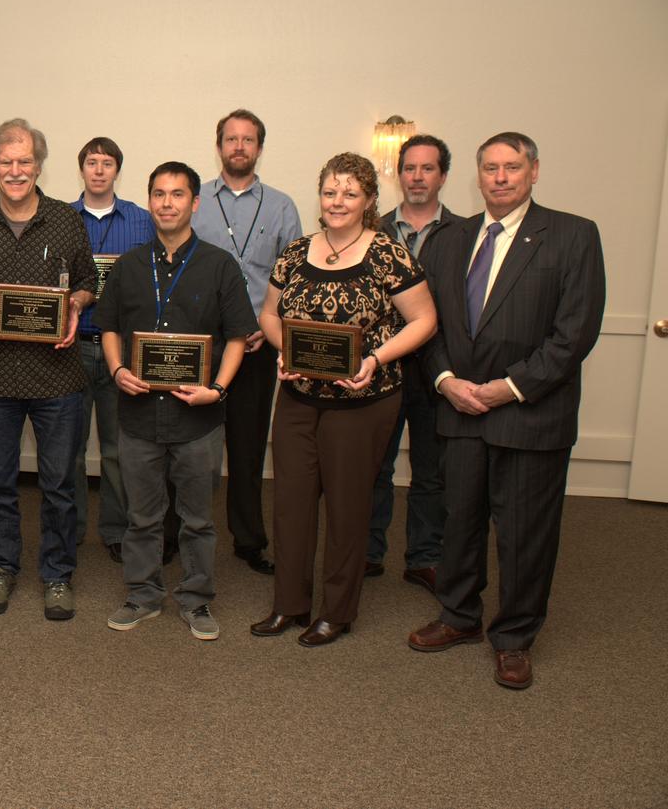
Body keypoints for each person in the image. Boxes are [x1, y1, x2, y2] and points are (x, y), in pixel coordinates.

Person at [408, 132, 605, 690]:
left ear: (534, 172)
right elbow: (429, 324)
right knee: (459, 522)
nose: (500, 177)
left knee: (524, 534)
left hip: (530, 412)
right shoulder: (449, 239)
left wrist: (507, 388)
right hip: (460, 408)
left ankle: (514, 638)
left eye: (511, 167)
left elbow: (574, 335)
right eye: (490, 168)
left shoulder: (572, 235)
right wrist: (446, 381)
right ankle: (458, 617)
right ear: (477, 175)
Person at [251, 152, 436, 647]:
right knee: (289, 505)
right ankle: (288, 605)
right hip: (296, 397)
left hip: (363, 401)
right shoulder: (295, 253)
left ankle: (337, 611)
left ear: (370, 201)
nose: (338, 202)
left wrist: (374, 358)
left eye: (350, 193)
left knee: (348, 508)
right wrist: (283, 347)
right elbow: (270, 316)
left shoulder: (388, 255)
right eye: (330, 192)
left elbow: (423, 321)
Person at [0, 117, 97, 621]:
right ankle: (2, 567)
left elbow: (87, 280)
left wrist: (74, 306)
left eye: (25, 162)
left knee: (58, 483)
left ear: (39, 165)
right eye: (6, 162)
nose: (16, 170)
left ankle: (57, 574)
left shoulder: (64, 219)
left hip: (57, 377)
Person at [96, 162, 251, 640]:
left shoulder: (219, 265)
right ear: (149, 202)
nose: (167, 203)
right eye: (159, 195)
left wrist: (218, 389)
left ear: (194, 203)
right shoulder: (128, 266)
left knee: (198, 519)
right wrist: (118, 371)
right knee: (141, 517)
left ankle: (196, 600)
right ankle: (142, 595)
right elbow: (107, 327)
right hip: (139, 416)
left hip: (197, 419)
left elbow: (238, 338)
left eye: (177, 194)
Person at [191, 109, 302, 575]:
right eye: (231, 139)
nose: (239, 146)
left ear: (259, 147)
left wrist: (266, 326)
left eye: (248, 140)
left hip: (258, 346)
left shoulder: (281, 206)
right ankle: (180, 533)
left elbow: (296, 278)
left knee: (248, 445)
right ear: (219, 146)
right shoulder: (193, 200)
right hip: (202, 347)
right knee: (190, 446)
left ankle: (248, 539)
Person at [364, 134, 464, 594]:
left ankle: (424, 557)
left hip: (438, 373)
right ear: (397, 174)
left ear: (443, 176)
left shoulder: (466, 235)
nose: (417, 176)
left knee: (431, 470)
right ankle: (366, 552)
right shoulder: (372, 231)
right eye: (409, 168)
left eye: (427, 168)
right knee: (373, 467)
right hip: (380, 371)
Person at [69, 137, 155, 563]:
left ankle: (117, 530)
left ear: (118, 170)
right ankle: (70, 530)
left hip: (122, 350)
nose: (99, 170)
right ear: (81, 169)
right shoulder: (60, 219)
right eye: (91, 162)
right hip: (71, 346)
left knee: (120, 449)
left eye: (107, 163)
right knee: (68, 446)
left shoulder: (142, 221)